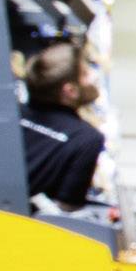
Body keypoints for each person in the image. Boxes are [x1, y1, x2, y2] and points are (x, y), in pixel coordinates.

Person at [18, 40, 105, 209]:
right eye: (86, 73)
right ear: (70, 91)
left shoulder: (10, 113)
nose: (94, 76)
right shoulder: (86, 139)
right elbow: (66, 207)